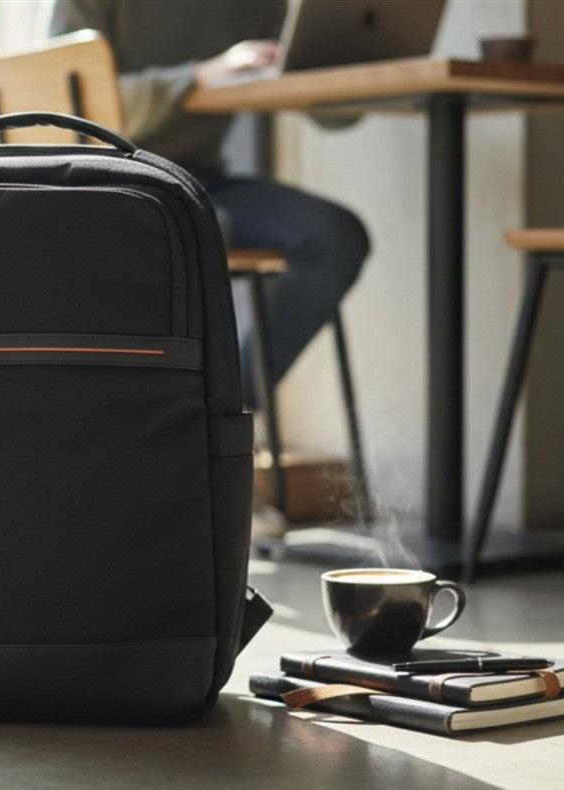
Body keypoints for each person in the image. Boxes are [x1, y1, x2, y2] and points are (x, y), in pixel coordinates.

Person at [50, 0, 371, 534]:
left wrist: (352, 48)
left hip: (204, 178)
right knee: (201, 228)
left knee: (335, 238)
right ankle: (157, 457)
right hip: (109, 172)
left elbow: (333, 113)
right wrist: (198, 76)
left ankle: (219, 424)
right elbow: (64, 103)